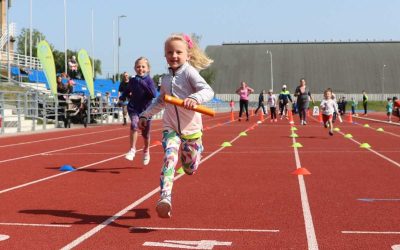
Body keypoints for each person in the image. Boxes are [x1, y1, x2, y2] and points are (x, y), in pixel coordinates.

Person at [138, 34, 214, 218]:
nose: (174, 55)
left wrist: (194, 98)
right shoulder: (164, 79)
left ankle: (196, 153)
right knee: (169, 158)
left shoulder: (189, 73)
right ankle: (165, 197)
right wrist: (145, 115)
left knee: (190, 168)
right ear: (165, 56)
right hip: (170, 127)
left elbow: (208, 91)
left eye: (178, 52)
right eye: (169, 52)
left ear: (187, 55)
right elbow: (161, 101)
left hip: (192, 130)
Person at [120, 57, 157, 165]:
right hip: (133, 108)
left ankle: (146, 150)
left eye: (143, 67)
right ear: (135, 68)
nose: (140, 69)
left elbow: (153, 94)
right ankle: (132, 149)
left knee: (145, 135)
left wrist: (142, 83)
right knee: (134, 125)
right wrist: (123, 97)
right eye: (138, 66)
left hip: (146, 111)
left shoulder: (149, 81)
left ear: (148, 68)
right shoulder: (132, 80)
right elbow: (127, 90)